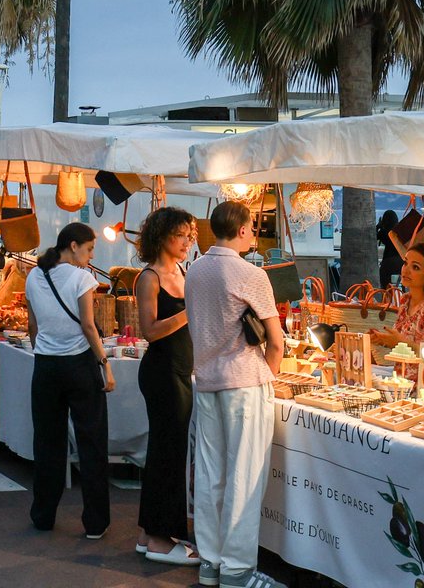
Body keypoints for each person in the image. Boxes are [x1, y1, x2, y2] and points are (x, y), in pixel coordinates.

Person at [186, 201, 285, 588]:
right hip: (244, 381)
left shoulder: (194, 270)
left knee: (211, 474)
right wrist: (271, 373)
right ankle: (238, 569)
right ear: (243, 230)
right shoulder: (250, 273)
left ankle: (211, 562)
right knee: (245, 475)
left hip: (206, 379)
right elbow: (275, 340)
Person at [23, 223, 112, 535]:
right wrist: (104, 362)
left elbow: (33, 324)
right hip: (79, 365)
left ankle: (43, 515)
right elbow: (88, 326)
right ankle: (95, 523)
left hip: (45, 366)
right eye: (89, 249)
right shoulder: (82, 278)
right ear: (73, 246)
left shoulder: (34, 275)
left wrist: (42, 351)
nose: (90, 256)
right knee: (91, 442)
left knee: (47, 443)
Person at [133, 207, 199, 565]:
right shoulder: (150, 277)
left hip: (181, 369)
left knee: (167, 452)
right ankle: (160, 539)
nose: (188, 242)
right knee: (167, 453)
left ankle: (149, 533)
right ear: (162, 238)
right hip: (161, 372)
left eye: (191, 235)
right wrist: (190, 310)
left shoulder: (184, 271)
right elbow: (150, 330)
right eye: (181, 236)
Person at [371, 243, 424, 381]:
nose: (406, 270)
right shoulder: (405, 301)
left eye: (415, 267)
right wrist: (383, 340)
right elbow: (402, 342)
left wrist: (402, 343)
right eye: (405, 263)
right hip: (401, 383)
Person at [376, 209, 403, 288]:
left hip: (389, 261)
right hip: (402, 261)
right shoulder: (399, 230)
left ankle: (386, 294)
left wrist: (378, 226)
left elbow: (373, 237)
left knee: (384, 280)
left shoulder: (384, 232)